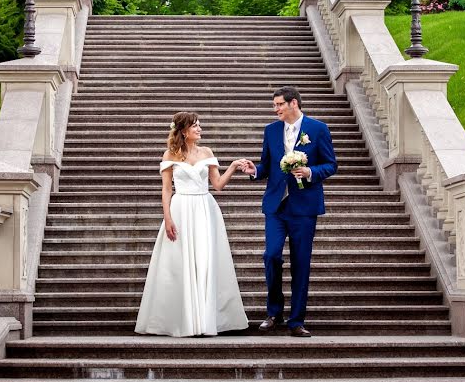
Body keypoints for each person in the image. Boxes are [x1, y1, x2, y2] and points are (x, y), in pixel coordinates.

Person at [135, 111, 249, 337]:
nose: (200, 129)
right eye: (195, 126)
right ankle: (183, 320)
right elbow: (167, 189)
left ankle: (207, 319)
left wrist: (234, 167)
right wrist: (167, 218)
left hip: (206, 209)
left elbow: (217, 185)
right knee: (179, 262)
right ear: (184, 130)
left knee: (206, 261)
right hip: (181, 209)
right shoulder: (171, 154)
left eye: (200, 125)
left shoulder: (207, 152)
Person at [239, 86, 337, 337]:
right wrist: (255, 171)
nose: (276, 109)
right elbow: (266, 165)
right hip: (276, 206)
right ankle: (274, 312)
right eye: (274, 106)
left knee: (301, 263)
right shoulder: (271, 130)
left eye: (279, 105)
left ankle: (296, 321)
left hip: (304, 207)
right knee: (271, 255)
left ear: (294, 103)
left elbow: (331, 164)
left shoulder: (318, 129)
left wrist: (311, 172)